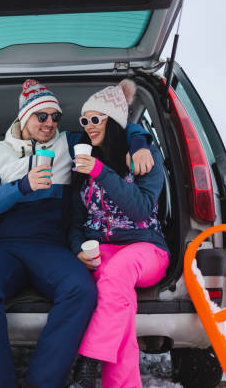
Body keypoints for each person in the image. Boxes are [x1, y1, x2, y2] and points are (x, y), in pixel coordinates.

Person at [0, 79, 155, 388]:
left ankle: (44, 382)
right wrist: (21, 187)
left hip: (50, 246)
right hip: (2, 246)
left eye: (55, 116)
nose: (50, 123)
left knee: (82, 290)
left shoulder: (68, 144)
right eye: (42, 116)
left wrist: (140, 141)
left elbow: (109, 127)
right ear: (25, 117)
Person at [68, 79, 170, 388]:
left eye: (95, 119)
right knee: (119, 308)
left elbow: (140, 211)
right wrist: (77, 249)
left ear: (112, 121)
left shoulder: (143, 158)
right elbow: (75, 221)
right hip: (103, 250)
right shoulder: (82, 165)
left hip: (146, 250)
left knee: (118, 274)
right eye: (85, 120)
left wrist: (101, 171)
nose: (88, 126)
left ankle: (88, 360)